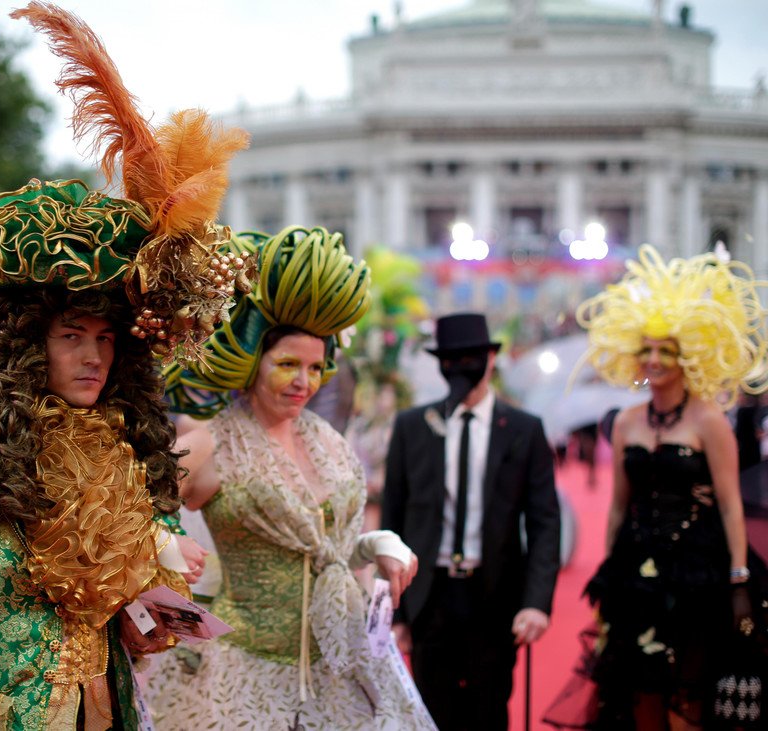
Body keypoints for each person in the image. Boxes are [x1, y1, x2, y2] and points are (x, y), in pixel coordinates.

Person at [0, 3, 248, 728]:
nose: (94, 355)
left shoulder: (126, 454)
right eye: (72, 335)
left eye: (106, 337)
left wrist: (144, 616)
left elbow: (130, 614)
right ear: (32, 343)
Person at [148, 226, 436, 730]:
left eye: (316, 368)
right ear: (253, 363)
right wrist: (164, 542)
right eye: (287, 364)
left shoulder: (329, 443)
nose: (304, 382)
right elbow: (126, 517)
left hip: (339, 667)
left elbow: (326, 551)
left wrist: (377, 545)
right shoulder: (212, 442)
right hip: (241, 676)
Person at [571, 244, 768, 729]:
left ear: (687, 356)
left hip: (698, 574)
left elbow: (730, 505)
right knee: (640, 695)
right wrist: (609, 569)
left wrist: (739, 580)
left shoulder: (709, 421)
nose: (654, 359)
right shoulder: (626, 422)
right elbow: (618, 505)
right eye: (647, 349)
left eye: (666, 350)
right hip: (636, 569)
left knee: (687, 698)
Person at [381, 311, 561, 731]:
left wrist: (536, 602)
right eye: (450, 360)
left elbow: (544, 523)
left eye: (469, 358)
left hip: (494, 597)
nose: (460, 368)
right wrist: (397, 612)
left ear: (490, 359)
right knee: (431, 714)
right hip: (430, 595)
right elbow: (393, 518)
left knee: (489, 711)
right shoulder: (412, 427)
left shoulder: (524, 430)